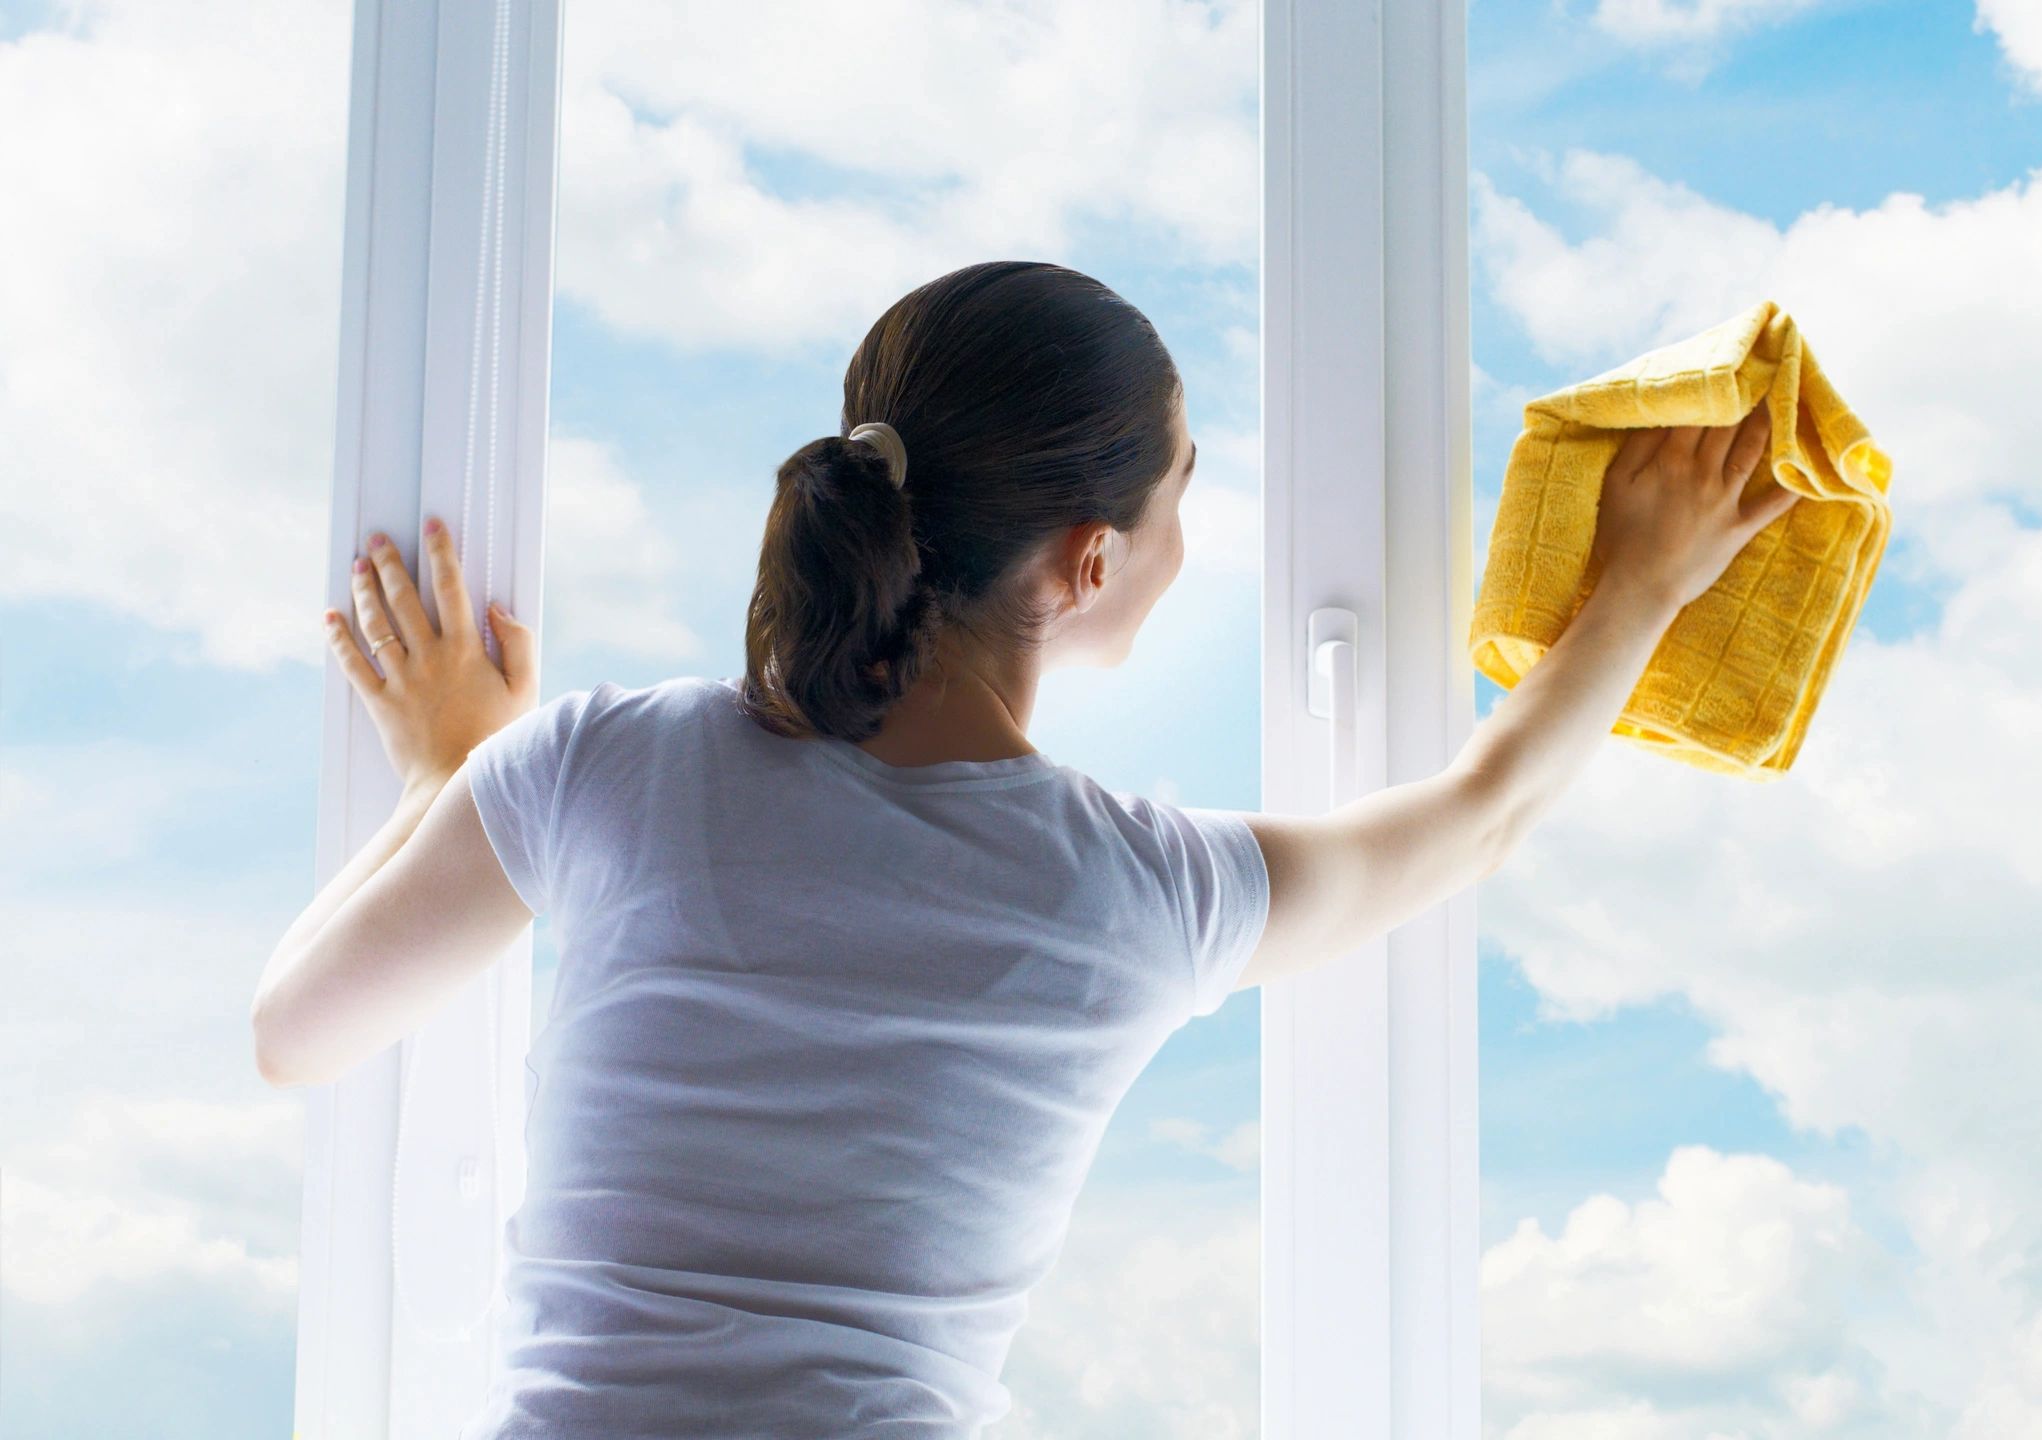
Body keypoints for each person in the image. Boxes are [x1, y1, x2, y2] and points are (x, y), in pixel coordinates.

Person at [253, 259, 1795, 1437]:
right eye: (1185, 495)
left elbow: (296, 1035)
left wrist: (449, 771)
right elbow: (1481, 818)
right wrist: (1642, 586)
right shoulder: (1134, 895)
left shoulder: (598, 762)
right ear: (1090, 561)